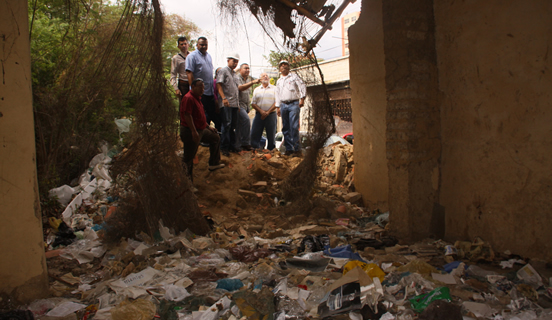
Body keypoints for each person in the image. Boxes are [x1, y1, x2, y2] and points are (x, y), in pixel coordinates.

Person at [180, 78, 225, 184]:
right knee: (189, 158)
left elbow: (199, 117)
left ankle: (213, 163)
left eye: (203, 87)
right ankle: (187, 183)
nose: (202, 89)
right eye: (200, 86)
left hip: (201, 129)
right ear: (193, 86)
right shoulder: (188, 98)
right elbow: (187, 115)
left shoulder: (197, 98)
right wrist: (193, 131)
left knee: (215, 138)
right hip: (190, 130)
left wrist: (208, 127)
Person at [185, 37, 221, 132]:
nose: (204, 46)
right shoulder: (192, 56)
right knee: (201, 117)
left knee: (215, 117)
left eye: (206, 44)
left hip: (209, 93)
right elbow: (189, 73)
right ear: (197, 45)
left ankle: (216, 139)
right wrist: (193, 90)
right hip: (199, 93)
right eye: (201, 44)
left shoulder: (209, 56)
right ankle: (202, 140)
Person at [275, 60, 306, 156]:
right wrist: (278, 107)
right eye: (282, 65)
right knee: (285, 128)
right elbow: (277, 94)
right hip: (283, 105)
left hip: (293, 103)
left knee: (294, 126)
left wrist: (302, 99)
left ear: (288, 67)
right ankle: (288, 149)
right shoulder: (279, 81)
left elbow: (302, 86)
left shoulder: (294, 77)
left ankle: (297, 149)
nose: (283, 66)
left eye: (285, 65)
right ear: (280, 68)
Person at [216, 53, 241, 156]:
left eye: (236, 62)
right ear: (228, 60)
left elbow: (236, 90)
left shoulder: (235, 74)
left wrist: (238, 104)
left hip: (235, 104)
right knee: (226, 124)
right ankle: (224, 147)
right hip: (226, 103)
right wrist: (223, 98)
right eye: (233, 61)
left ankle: (232, 146)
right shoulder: (223, 71)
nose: (235, 63)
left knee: (233, 126)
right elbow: (219, 85)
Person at [236, 63, 261, 151]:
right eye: (245, 68)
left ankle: (238, 145)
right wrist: (253, 82)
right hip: (238, 105)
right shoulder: (237, 78)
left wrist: (248, 107)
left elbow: (247, 95)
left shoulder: (247, 79)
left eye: (248, 68)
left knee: (239, 125)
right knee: (246, 120)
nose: (247, 70)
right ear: (240, 70)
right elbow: (240, 88)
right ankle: (246, 143)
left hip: (245, 106)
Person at [250, 73, 277, 150]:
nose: (265, 77)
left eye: (267, 76)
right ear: (260, 79)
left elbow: (277, 102)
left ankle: (271, 151)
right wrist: (261, 111)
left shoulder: (274, 88)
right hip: (259, 114)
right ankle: (255, 150)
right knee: (255, 133)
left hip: (271, 114)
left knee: (271, 134)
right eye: (263, 76)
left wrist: (268, 112)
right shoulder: (256, 90)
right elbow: (253, 103)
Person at [170, 36, 190, 101]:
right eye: (181, 44)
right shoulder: (176, 58)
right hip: (183, 84)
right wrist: (176, 89)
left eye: (185, 44)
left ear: (188, 45)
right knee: (184, 105)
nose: (184, 46)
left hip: (193, 84)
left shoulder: (192, 56)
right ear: (178, 46)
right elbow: (173, 74)